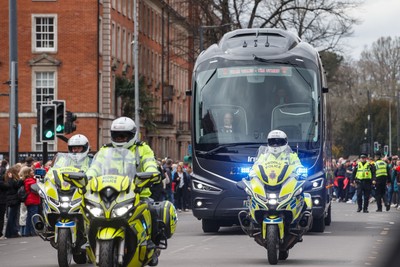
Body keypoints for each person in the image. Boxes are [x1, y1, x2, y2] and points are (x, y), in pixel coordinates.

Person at [85, 117, 162, 252]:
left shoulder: (142, 149)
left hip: (137, 192)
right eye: (117, 135)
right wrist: (88, 177)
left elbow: (150, 163)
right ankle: (87, 238)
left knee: (151, 210)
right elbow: (95, 166)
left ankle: (152, 242)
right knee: (88, 210)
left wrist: (151, 173)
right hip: (108, 192)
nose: (120, 139)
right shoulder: (105, 150)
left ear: (131, 135)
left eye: (124, 135)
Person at [20, 166, 40, 236]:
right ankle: (34, 231)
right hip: (33, 200)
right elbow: (36, 189)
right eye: (31, 171)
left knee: (29, 217)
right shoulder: (30, 180)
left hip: (30, 200)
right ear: (28, 173)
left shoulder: (28, 180)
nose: (33, 172)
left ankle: (27, 232)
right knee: (34, 216)